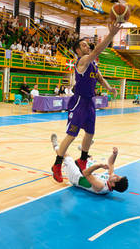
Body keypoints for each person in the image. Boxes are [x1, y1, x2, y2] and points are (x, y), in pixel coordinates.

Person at [51, 22, 121, 183]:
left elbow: (100, 78)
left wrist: (110, 89)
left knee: (90, 132)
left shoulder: (93, 64)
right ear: (78, 50)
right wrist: (111, 35)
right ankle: (57, 164)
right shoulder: (82, 61)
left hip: (90, 102)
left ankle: (82, 160)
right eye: (83, 45)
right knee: (71, 135)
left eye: (86, 44)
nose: (87, 46)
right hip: (79, 101)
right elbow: (97, 50)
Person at [51, 134, 128, 194]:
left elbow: (86, 173)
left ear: (113, 184)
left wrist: (99, 165)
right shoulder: (110, 181)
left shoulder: (101, 186)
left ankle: (55, 145)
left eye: (117, 178)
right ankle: (84, 149)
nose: (116, 175)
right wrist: (115, 154)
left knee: (66, 156)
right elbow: (111, 163)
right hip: (85, 173)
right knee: (90, 159)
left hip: (77, 176)